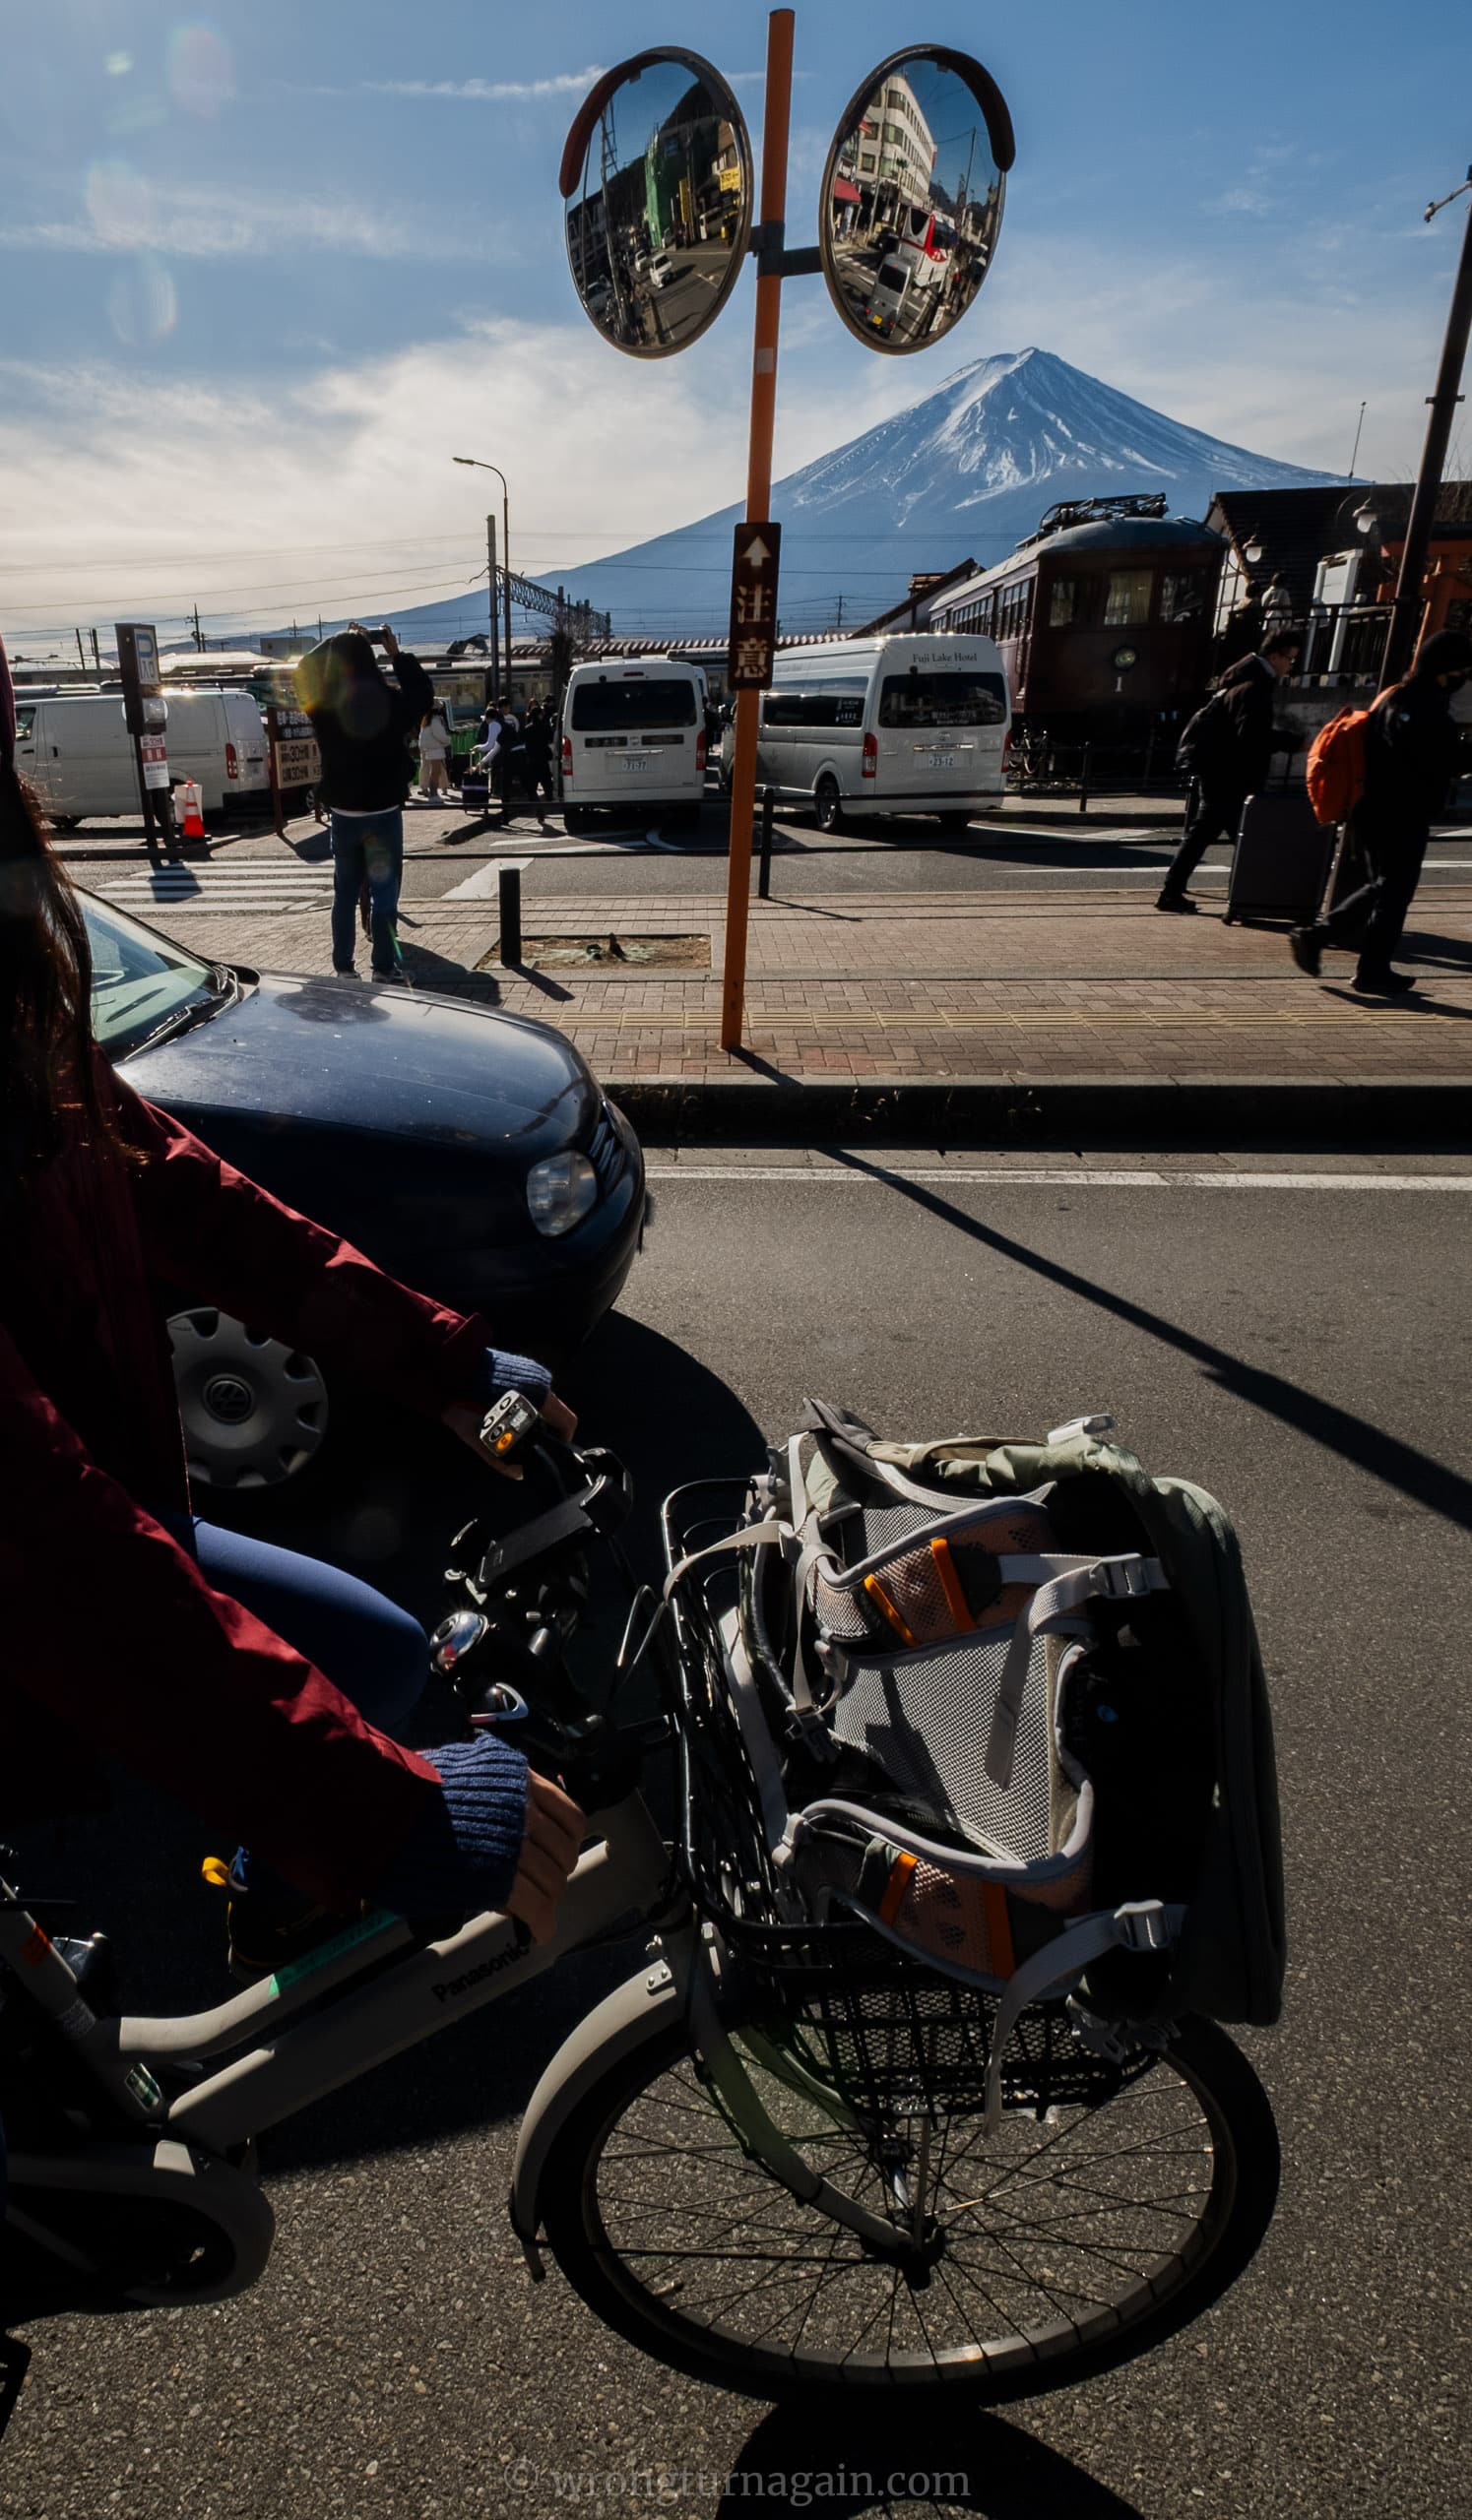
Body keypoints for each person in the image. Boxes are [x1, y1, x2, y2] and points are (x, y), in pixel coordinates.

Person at [0, 629, 584, 2018]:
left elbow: (184, 1191)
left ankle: (272, 1905)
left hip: (111, 1512)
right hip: (43, 1562)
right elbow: (33, 1530)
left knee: (378, 1649)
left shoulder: (20, 1019)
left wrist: (439, 1358)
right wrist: (369, 1810)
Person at [1289, 627, 1472, 995]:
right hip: (1399, 812)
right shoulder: (1421, 706)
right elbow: (1438, 759)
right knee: (1393, 888)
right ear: (1445, 668)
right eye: (1461, 670)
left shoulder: (1396, 696)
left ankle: (1368, 966)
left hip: (1374, 809)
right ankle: (1327, 941)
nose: (1463, 678)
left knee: (1385, 888)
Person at [296, 622, 431, 981]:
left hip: (343, 814)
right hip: (384, 812)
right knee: (385, 894)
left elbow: (301, 670)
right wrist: (396, 654)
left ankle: (344, 967)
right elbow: (422, 697)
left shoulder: (324, 706)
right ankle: (384, 967)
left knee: (344, 892)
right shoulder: (390, 702)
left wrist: (339, 639)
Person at [1156, 629, 1303, 913]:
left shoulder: (1242, 681)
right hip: (1232, 774)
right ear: (1274, 656)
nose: (1290, 666)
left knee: (1211, 834)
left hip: (1221, 770)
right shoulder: (1254, 688)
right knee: (1246, 838)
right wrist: (1291, 741)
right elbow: (1251, 736)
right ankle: (1258, 898)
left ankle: (1177, 892)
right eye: (1289, 659)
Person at [520, 698, 555, 823]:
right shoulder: (546, 728)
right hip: (543, 760)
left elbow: (523, 741)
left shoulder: (527, 729)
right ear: (540, 715)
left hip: (531, 761)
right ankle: (548, 804)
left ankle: (539, 809)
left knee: (532, 788)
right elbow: (550, 740)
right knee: (547, 785)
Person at [417, 698, 452, 800]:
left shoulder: (427, 719)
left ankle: (434, 794)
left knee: (434, 772)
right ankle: (434, 795)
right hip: (436, 749)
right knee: (435, 773)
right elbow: (440, 735)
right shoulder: (435, 720)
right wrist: (447, 741)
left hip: (429, 749)